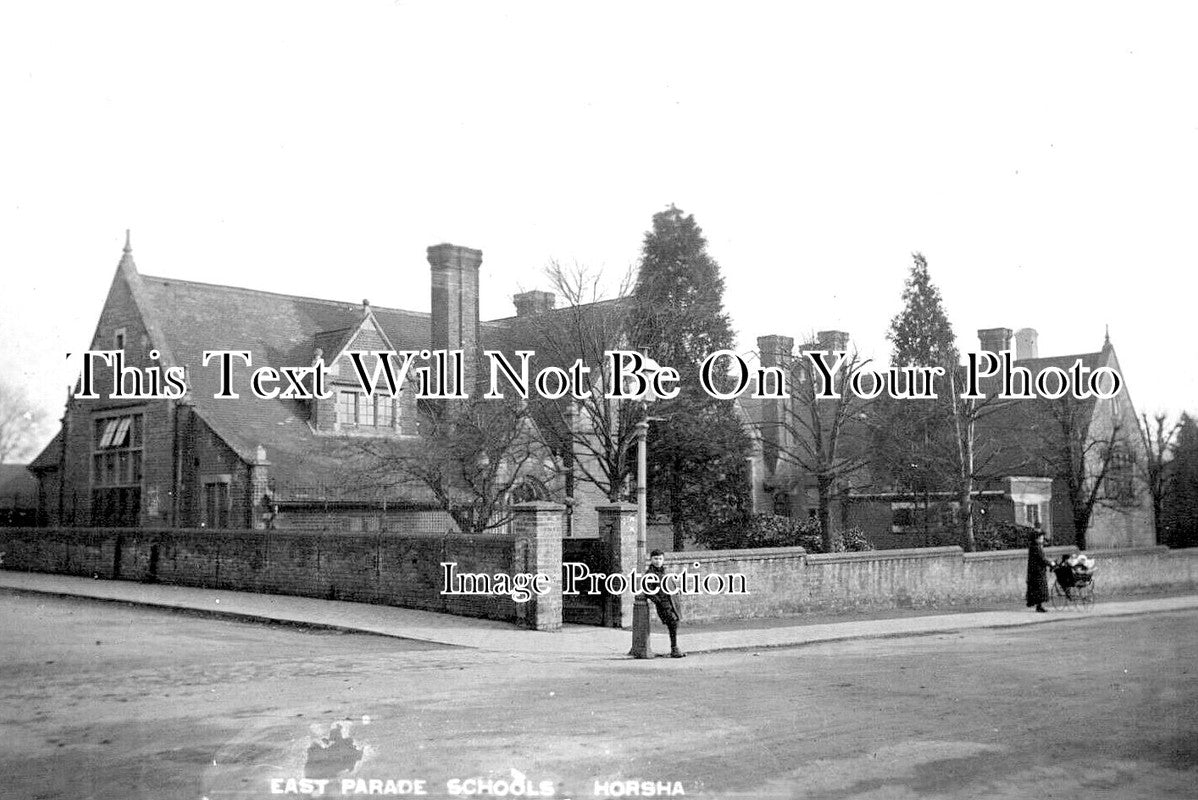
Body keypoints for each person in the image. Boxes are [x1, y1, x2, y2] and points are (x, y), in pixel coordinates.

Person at [646, 549, 685, 658]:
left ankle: (675, 648)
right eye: (655, 558)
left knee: (675, 623)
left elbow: (671, 583)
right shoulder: (650, 574)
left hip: (672, 601)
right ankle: (674, 648)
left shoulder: (664, 571)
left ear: (663, 560)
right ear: (651, 559)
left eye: (660, 559)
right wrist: (659, 602)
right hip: (663, 604)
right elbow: (648, 591)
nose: (658, 561)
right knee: (672, 622)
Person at [1026, 531, 1053, 612]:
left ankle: (1037, 605)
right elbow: (1042, 559)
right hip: (1037, 571)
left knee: (1037, 588)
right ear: (1036, 539)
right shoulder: (1036, 548)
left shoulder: (1035, 546)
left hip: (1036, 571)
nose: (1042, 539)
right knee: (1039, 588)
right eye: (1040, 538)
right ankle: (1039, 606)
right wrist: (1050, 563)